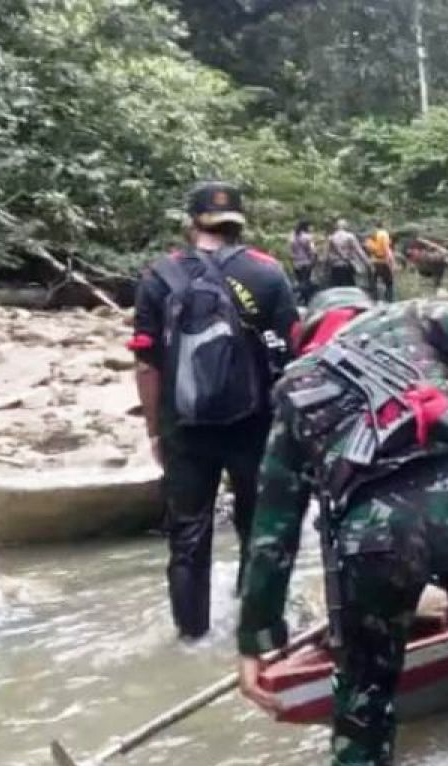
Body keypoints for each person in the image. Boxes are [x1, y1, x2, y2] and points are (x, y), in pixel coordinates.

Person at [236, 298, 448, 766]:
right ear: (362, 309)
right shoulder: (412, 315)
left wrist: (258, 637)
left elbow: (273, 524)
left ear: (311, 331)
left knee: (363, 695)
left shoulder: (293, 385)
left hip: (370, 538)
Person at [129, 181, 300, 641]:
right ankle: (259, 631)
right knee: (258, 526)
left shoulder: (158, 276)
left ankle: (191, 638)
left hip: (183, 426)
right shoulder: (267, 273)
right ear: (238, 224)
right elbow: (293, 353)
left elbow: (147, 364)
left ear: (191, 224)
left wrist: (155, 431)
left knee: (188, 535)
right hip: (255, 423)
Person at [324, 219, 374, 293]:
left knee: (336, 289)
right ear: (345, 226)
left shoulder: (331, 237)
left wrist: (325, 267)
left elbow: (327, 254)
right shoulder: (350, 236)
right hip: (346, 265)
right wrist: (367, 263)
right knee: (349, 289)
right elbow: (359, 251)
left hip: (335, 266)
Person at [364, 223, 399, 302]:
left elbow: (367, 247)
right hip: (383, 261)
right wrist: (392, 263)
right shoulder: (383, 234)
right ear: (383, 226)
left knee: (373, 283)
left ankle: (374, 300)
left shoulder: (370, 235)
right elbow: (386, 249)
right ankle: (389, 301)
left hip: (372, 261)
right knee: (389, 283)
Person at [289, 220, 318, 304]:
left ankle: (302, 298)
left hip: (296, 263)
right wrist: (314, 260)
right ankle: (307, 300)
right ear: (306, 227)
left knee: (301, 281)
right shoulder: (307, 237)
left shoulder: (292, 237)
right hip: (306, 263)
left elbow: (291, 251)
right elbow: (313, 251)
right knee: (306, 282)